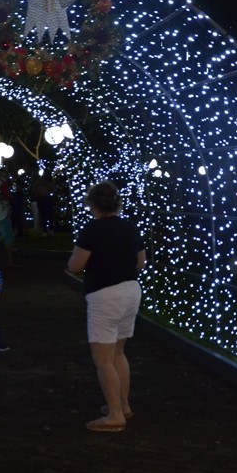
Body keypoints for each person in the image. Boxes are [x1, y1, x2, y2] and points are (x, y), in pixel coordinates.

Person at [67, 180, 146, 433]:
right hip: (131, 291)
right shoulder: (130, 228)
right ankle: (122, 405)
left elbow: (75, 266)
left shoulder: (92, 230)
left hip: (104, 294)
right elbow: (141, 262)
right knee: (118, 352)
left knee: (102, 359)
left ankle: (114, 415)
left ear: (93, 204)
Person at [0, 167, 20, 267]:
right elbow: (0, 198)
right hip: (0, 215)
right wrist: (7, 199)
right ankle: (9, 261)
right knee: (8, 238)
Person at [31, 169, 56, 237]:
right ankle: (45, 230)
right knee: (43, 215)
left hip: (47, 198)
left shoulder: (50, 181)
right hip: (40, 198)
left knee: (49, 214)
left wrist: (47, 190)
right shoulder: (39, 180)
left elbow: (53, 189)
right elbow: (34, 188)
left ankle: (50, 229)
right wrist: (37, 193)